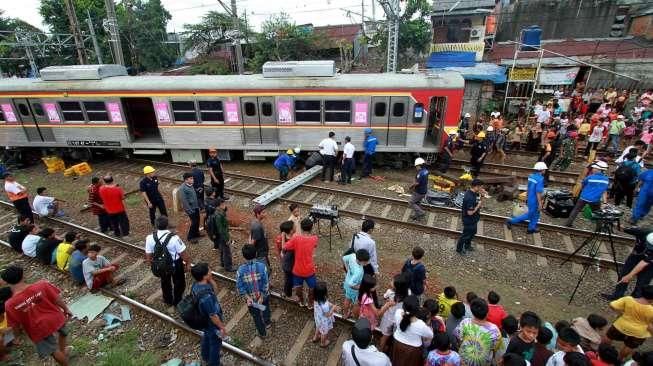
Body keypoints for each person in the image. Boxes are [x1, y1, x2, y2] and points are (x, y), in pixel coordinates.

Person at [2, 266, 73, 366]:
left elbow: (14, 324)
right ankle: (63, 351)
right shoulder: (42, 285)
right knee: (63, 333)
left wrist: (17, 337)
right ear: (23, 276)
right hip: (55, 317)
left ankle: (63, 359)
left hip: (38, 328)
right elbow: (56, 298)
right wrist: (66, 309)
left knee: (53, 350)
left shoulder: (10, 304)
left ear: (6, 282)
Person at [145, 216, 191, 311]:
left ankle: (167, 299)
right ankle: (177, 301)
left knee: (165, 281)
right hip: (175, 264)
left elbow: (148, 254)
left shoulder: (150, 238)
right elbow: (183, 254)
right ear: (167, 225)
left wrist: (151, 263)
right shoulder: (174, 238)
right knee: (179, 282)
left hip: (161, 264)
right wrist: (188, 263)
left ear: (156, 226)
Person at [190, 262, 227, 366]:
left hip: (203, 320)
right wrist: (221, 327)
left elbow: (215, 291)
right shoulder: (206, 298)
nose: (211, 271)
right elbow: (213, 316)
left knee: (206, 336)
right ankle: (214, 363)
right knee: (216, 343)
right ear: (204, 276)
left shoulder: (196, 285)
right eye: (209, 270)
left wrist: (210, 279)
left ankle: (205, 356)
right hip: (211, 322)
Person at [606, 285, 653, 361]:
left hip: (621, 325)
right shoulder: (651, 310)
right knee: (630, 346)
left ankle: (603, 351)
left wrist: (621, 313)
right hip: (639, 332)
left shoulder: (628, 299)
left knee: (609, 336)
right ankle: (619, 359)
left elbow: (612, 305)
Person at [236, 244, 272, 338]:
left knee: (256, 316)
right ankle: (267, 322)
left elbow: (240, 287)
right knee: (265, 308)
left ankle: (262, 333)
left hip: (251, 300)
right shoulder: (262, 266)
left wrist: (247, 298)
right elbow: (266, 283)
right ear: (256, 253)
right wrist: (262, 296)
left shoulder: (240, 270)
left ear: (243, 256)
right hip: (263, 297)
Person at [455, 298, 503, 366]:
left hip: (463, 360)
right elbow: (494, 348)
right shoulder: (494, 330)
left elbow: (458, 339)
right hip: (483, 362)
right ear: (487, 313)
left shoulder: (465, 323)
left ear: (472, 312)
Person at [283, 218, 319, 308]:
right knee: (312, 288)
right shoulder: (314, 238)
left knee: (298, 288)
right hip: (309, 270)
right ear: (311, 228)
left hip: (297, 270)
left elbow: (285, 247)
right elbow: (315, 245)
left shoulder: (296, 239)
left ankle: (302, 301)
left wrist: (283, 236)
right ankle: (310, 303)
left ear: (301, 228)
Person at [565, 161, 610, 227]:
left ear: (599, 170)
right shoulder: (606, 179)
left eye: (594, 168)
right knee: (598, 213)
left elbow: (583, 185)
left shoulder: (590, 177)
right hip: (595, 200)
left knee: (576, 210)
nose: (592, 169)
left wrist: (584, 191)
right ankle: (599, 227)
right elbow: (604, 191)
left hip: (583, 197)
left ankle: (568, 223)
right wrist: (605, 202)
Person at [392, 295, 434, 365]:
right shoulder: (421, 324)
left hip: (397, 343)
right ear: (417, 309)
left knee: (397, 361)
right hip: (412, 350)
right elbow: (431, 335)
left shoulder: (398, 312)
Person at [507, 162, 547, 234]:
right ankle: (511, 221)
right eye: (545, 169)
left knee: (536, 214)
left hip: (530, 199)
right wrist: (540, 204)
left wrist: (526, 197)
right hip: (535, 200)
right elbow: (538, 193)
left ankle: (531, 228)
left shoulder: (531, 176)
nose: (545, 170)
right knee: (529, 215)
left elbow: (528, 188)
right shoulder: (540, 179)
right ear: (542, 170)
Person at [379, 272, 410, 352]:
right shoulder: (408, 293)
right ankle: (393, 350)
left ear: (396, 287)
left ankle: (381, 350)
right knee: (396, 335)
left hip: (388, 318)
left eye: (393, 281)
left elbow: (384, 297)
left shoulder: (390, 292)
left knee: (385, 336)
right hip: (398, 319)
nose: (391, 281)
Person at [206, 197, 234, 272]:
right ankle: (228, 266)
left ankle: (222, 263)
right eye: (224, 203)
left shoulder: (218, 212)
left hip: (219, 236)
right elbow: (222, 229)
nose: (225, 205)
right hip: (222, 236)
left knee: (222, 249)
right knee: (226, 251)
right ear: (220, 205)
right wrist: (227, 238)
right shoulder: (219, 215)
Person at [457, 179, 484, 254]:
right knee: (465, 235)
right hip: (469, 220)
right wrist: (478, 206)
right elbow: (470, 213)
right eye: (481, 187)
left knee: (472, 233)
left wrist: (482, 196)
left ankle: (467, 245)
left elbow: (479, 202)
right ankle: (459, 249)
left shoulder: (473, 193)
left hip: (474, 219)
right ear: (476, 187)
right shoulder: (470, 198)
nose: (482, 189)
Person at [342, 249, 368, 319]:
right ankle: (356, 318)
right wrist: (361, 288)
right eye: (365, 262)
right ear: (360, 261)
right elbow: (351, 284)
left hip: (347, 281)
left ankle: (345, 314)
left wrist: (347, 270)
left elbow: (344, 258)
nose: (367, 263)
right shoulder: (358, 271)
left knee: (347, 299)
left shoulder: (353, 256)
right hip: (354, 287)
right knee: (357, 303)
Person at [313, 281, 338, 348]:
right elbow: (327, 315)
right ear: (324, 294)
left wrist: (331, 305)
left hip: (318, 318)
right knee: (324, 332)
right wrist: (333, 308)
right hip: (324, 321)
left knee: (318, 326)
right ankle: (323, 343)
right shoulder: (324, 305)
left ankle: (315, 337)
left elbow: (326, 303)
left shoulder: (316, 299)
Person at [274, 220, 295, 298]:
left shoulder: (293, 237)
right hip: (287, 264)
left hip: (293, 263)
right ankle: (287, 293)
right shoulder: (281, 239)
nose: (295, 227)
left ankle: (290, 288)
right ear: (290, 231)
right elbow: (282, 252)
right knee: (288, 279)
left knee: (291, 277)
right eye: (294, 227)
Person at [180, 173, 201, 243]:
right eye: (191, 178)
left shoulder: (190, 185)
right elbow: (184, 201)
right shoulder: (182, 188)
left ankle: (196, 233)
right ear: (186, 180)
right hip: (190, 209)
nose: (193, 180)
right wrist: (189, 210)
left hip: (195, 207)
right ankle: (190, 237)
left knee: (198, 220)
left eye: (193, 178)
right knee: (194, 222)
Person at [250, 204, 270, 268]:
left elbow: (251, 235)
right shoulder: (257, 227)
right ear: (258, 214)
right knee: (263, 267)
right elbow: (253, 242)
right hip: (260, 252)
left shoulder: (256, 222)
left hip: (263, 251)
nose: (265, 214)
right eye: (263, 213)